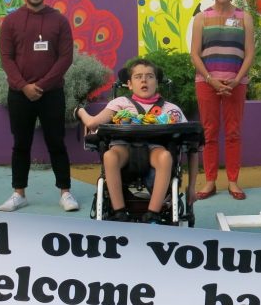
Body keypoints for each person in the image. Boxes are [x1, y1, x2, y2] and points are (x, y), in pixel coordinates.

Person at [0, 0, 78, 213]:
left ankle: (65, 192)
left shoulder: (59, 21)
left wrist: (40, 86)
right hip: (19, 94)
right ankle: (18, 193)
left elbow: (65, 58)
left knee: (57, 142)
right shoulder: (11, 21)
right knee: (21, 143)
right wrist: (23, 86)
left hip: (51, 93)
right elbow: (6, 58)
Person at [76, 58, 198, 223]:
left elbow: (192, 145)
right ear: (130, 84)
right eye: (138, 76)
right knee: (109, 156)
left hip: (155, 151)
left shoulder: (171, 110)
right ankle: (119, 213)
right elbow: (92, 123)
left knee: (166, 157)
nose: (144, 80)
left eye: (149, 76)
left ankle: (153, 214)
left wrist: (192, 188)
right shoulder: (120, 104)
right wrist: (80, 111)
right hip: (123, 149)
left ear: (157, 82)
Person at [191, 0, 255, 200]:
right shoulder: (201, 18)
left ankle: (233, 182)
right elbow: (195, 55)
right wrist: (211, 79)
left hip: (235, 84)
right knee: (209, 133)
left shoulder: (244, 18)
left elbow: (249, 54)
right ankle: (209, 182)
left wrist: (237, 79)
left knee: (233, 133)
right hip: (206, 82)